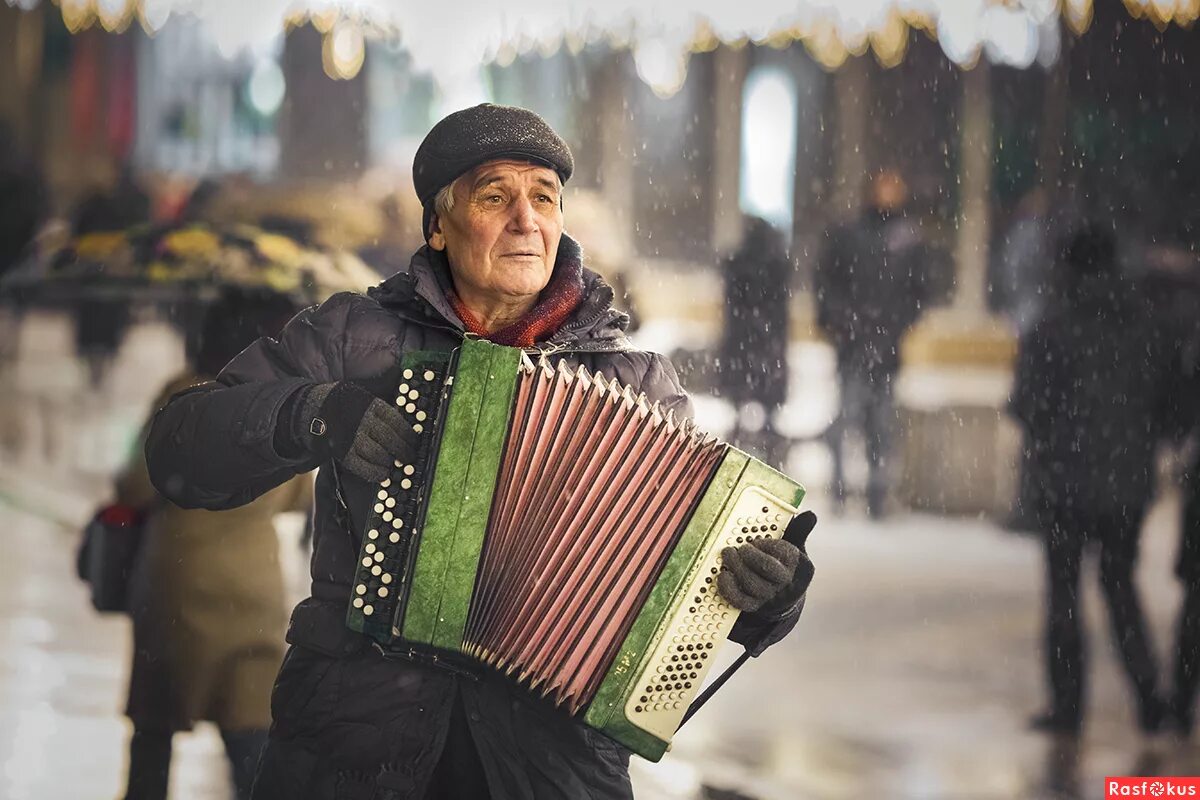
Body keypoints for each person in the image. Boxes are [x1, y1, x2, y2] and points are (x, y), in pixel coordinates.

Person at [143, 104, 817, 800]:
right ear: (438, 225)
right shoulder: (352, 337)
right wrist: (311, 413)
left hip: (550, 768)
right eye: (495, 196)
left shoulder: (637, 382)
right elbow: (176, 452)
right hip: (355, 746)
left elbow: (683, 589)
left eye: (545, 198)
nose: (526, 219)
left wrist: (771, 599)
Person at [115, 289, 313, 800]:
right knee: (249, 739)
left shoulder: (183, 394)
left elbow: (138, 485)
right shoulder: (284, 404)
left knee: (155, 735)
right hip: (253, 591)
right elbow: (294, 499)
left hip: (177, 584)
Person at [1010, 223, 1176, 735]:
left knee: (1064, 594)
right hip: (1126, 484)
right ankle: (1149, 696)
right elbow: (1167, 407)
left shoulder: (1052, 326)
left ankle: (1068, 707)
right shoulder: (1144, 325)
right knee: (1120, 585)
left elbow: (1026, 405)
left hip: (1065, 483)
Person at [815, 169, 928, 517]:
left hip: (885, 349)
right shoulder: (850, 235)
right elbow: (826, 283)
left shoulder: (907, 240)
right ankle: (839, 492)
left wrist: (893, 327)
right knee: (847, 420)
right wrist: (841, 323)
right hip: (853, 347)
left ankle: (876, 497)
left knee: (881, 424)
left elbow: (918, 293)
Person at [716, 215, 792, 468]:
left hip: (743, 345)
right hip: (766, 347)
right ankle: (771, 465)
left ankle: (735, 462)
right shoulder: (777, 267)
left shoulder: (739, 264)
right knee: (766, 419)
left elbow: (731, 306)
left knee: (741, 417)